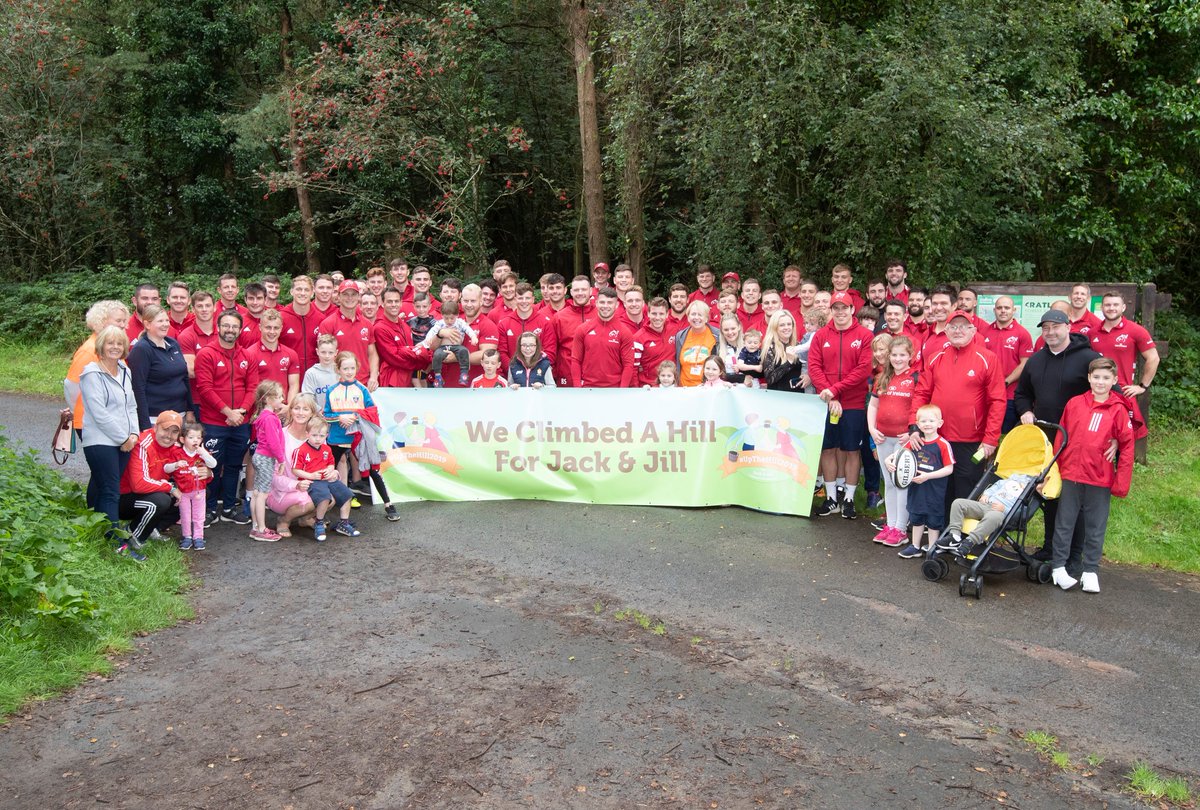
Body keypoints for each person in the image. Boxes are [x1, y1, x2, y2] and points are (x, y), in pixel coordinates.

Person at [1014, 308, 1102, 567]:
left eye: (1055, 326)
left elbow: (1108, 392)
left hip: (1077, 440)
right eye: (1046, 328)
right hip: (1046, 439)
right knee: (1050, 493)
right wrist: (1026, 411)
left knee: (1076, 499)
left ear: (1068, 327)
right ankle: (1051, 548)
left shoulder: (1088, 358)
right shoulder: (1036, 360)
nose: (1050, 332)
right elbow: (1021, 394)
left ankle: (1075, 556)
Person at [1049, 357, 1134, 594]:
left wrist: (1121, 482)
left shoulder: (1118, 409)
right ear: (1089, 378)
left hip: (1099, 478)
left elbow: (1127, 447)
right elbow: (1061, 438)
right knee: (1064, 523)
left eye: (1106, 378)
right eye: (1096, 377)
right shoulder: (1074, 403)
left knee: (1095, 526)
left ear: (1114, 380)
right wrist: (1055, 469)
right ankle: (1058, 567)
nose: (1100, 382)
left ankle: (1090, 571)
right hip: (1070, 475)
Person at [908, 310, 1005, 513]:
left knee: (966, 488)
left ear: (973, 330)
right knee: (939, 487)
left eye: (963, 326)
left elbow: (997, 401)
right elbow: (921, 393)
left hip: (971, 439)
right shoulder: (936, 358)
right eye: (953, 326)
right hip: (937, 438)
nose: (957, 330)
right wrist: (914, 426)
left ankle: (962, 535)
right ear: (947, 330)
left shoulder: (987, 358)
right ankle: (939, 532)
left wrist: (990, 439)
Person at [809, 291, 874, 519]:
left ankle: (848, 499)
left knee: (851, 450)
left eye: (844, 307)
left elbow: (863, 370)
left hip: (853, 403)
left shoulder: (865, 335)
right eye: (835, 308)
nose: (840, 312)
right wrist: (829, 395)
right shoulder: (820, 336)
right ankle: (831, 498)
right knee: (827, 449)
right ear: (831, 310)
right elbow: (814, 367)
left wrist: (835, 390)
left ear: (852, 309)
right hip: (826, 402)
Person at [80, 325, 141, 560]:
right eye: (110, 343)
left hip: (125, 440)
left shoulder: (125, 370)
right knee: (110, 491)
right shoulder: (91, 374)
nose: (115, 347)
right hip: (100, 441)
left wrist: (133, 434)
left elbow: (131, 406)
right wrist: (123, 437)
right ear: (101, 346)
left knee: (102, 486)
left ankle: (96, 532)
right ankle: (116, 544)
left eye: (119, 343)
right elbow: (98, 412)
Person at [194, 310, 259, 524]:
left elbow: (253, 387)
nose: (230, 330)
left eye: (234, 326)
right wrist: (227, 411)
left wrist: (241, 411)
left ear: (240, 329)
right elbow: (204, 388)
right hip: (214, 422)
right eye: (226, 326)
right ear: (218, 327)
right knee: (212, 465)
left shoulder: (247, 355)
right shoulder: (206, 353)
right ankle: (210, 509)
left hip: (240, 422)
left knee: (233, 466)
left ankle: (229, 508)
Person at [323, 352, 400, 521]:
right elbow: (325, 415)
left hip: (359, 438)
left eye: (352, 368)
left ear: (357, 368)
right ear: (338, 369)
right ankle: (319, 512)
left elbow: (373, 412)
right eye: (345, 368)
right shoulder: (331, 390)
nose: (349, 372)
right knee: (328, 472)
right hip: (337, 438)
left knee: (373, 470)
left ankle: (388, 504)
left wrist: (355, 417)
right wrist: (340, 418)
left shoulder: (362, 389)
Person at [867, 335, 917, 547]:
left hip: (902, 438)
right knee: (888, 482)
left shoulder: (915, 377)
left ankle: (901, 528)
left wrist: (912, 432)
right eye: (894, 355)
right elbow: (873, 406)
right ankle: (891, 523)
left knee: (901, 482)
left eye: (902, 355)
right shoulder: (882, 377)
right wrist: (871, 429)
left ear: (910, 356)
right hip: (882, 436)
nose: (897, 359)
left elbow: (919, 406)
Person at [1089, 290, 1158, 440]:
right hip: (1098, 393)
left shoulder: (1136, 330)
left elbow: (1153, 358)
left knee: (1124, 439)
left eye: (1115, 304)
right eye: (1107, 305)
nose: (1111, 308)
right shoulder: (1092, 333)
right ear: (1102, 307)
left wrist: (1142, 386)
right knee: (1098, 437)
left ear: (1123, 308)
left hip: (1122, 393)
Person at [888, 404, 955, 559]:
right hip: (916, 489)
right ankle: (915, 546)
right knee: (916, 517)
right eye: (923, 421)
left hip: (934, 490)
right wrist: (888, 461)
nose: (927, 424)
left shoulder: (943, 444)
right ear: (918, 425)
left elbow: (949, 469)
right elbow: (897, 455)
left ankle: (932, 548)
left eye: (931, 421)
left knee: (933, 520)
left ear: (940, 423)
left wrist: (927, 476)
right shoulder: (915, 442)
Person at [118, 410, 184, 553]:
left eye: (174, 432)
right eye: (165, 429)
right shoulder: (142, 444)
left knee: (195, 493)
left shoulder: (176, 447)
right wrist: (170, 488)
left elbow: (192, 470)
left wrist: (207, 473)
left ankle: (152, 527)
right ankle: (132, 536)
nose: (169, 436)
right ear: (155, 427)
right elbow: (138, 485)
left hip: (150, 491)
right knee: (161, 501)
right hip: (125, 498)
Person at [66, 300, 131, 438]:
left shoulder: (114, 347)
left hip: (114, 420)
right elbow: (71, 386)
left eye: (124, 320)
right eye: (118, 320)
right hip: (91, 422)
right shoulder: (90, 350)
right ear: (101, 321)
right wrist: (76, 411)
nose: (123, 325)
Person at [291, 419, 357, 542]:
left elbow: (331, 464)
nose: (318, 439)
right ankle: (319, 523)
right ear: (307, 434)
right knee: (325, 497)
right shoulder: (300, 450)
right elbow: (295, 470)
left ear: (326, 436)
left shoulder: (326, 449)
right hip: (312, 481)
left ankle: (344, 523)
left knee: (347, 495)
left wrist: (330, 470)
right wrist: (311, 476)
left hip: (327, 479)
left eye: (321, 436)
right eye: (314, 435)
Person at [128, 304, 192, 430]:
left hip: (179, 414)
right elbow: (138, 388)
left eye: (167, 320)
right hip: (156, 418)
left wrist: (190, 409)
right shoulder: (141, 349)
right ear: (147, 324)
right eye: (160, 321)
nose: (165, 324)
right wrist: (145, 424)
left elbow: (184, 378)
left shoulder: (173, 343)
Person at [941, 473, 1038, 555]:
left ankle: (970, 541)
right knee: (958, 503)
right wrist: (985, 495)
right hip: (985, 505)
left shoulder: (1027, 494)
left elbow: (1021, 512)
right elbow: (992, 488)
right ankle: (954, 536)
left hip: (1000, 512)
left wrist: (1004, 509)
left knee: (994, 517)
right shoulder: (1004, 482)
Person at [271, 394, 322, 538]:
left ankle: (305, 519)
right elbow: (272, 476)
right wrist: (295, 485)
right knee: (311, 500)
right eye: (296, 408)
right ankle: (283, 521)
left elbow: (323, 463)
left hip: (309, 487)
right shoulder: (280, 436)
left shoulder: (317, 437)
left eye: (305, 409)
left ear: (312, 413)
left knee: (332, 497)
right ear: (290, 411)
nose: (300, 413)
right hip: (281, 492)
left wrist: (330, 472)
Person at [981, 295, 1034, 434]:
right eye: (999, 308)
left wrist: (1005, 382)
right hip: (985, 393)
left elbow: (1025, 363)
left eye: (1006, 308)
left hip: (1009, 395)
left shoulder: (1022, 333)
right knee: (985, 433)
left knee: (1004, 434)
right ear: (994, 310)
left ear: (1014, 310)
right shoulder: (984, 332)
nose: (1003, 311)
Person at [166, 417, 216, 550]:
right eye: (191, 437)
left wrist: (205, 454)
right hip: (183, 492)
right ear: (182, 439)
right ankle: (187, 536)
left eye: (198, 438)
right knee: (185, 515)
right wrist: (176, 465)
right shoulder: (177, 453)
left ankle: (198, 537)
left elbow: (213, 464)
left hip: (200, 491)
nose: (195, 440)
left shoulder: (201, 454)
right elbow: (166, 468)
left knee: (199, 515)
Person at [571, 288, 635, 388]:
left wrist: (622, 391)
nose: (605, 306)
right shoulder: (583, 329)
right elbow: (576, 360)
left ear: (616, 305)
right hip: (588, 388)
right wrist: (578, 387)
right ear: (596, 303)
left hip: (614, 389)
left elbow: (628, 365)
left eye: (610, 303)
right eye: (602, 302)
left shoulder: (625, 332)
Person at [319, 280, 379, 388]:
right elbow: (324, 357)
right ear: (339, 296)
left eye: (353, 294)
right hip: (337, 384)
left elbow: (372, 354)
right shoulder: (328, 324)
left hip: (363, 384)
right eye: (345, 294)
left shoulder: (367, 324)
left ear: (358, 297)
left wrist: (373, 377)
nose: (349, 298)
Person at [249, 381, 286, 542]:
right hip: (266, 458)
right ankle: (261, 529)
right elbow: (273, 442)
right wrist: (281, 458)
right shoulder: (269, 418)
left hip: (260, 456)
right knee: (262, 495)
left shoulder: (264, 416)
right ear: (268, 399)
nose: (282, 399)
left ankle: (256, 526)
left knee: (257, 493)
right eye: (278, 397)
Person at [374, 286, 432, 388]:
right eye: (389, 301)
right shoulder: (379, 328)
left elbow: (412, 351)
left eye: (396, 301)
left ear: (401, 303)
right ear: (382, 304)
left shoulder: (405, 325)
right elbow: (395, 358)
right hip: (392, 383)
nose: (393, 305)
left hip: (409, 382)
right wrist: (422, 359)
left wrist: (406, 351)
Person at [497, 282, 557, 369]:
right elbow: (502, 353)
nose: (524, 301)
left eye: (527, 298)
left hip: (539, 376)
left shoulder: (545, 322)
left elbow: (550, 352)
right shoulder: (504, 324)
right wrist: (515, 370)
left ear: (533, 299)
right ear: (515, 299)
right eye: (520, 298)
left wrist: (535, 371)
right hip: (513, 375)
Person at [550, 275, 596, 386]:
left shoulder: (600, 314)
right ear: (571, 292)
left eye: (584, 289)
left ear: (590, 291)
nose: (580, 293)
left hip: (595, 377)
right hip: (567, 375)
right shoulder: (559, 317)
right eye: (576, 290)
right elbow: (552, 349)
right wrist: (556, 374)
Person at [247, 309, 300, 402]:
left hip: (283, 410)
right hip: (260, 411)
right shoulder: (249, 354)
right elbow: (249, 388)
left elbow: (294, 385)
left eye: (276, 328)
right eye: (268, 327)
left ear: (281, 328)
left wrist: (288, 408)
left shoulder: (291, 354)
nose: (272, 332)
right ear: (260, 327)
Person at [422, 301, 478, 387]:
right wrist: (428, 339)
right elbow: (432, 331)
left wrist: (473, 337)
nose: (449, 321)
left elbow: (468, 329)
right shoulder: (440, 323)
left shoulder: (460, 322)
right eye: (446, 318)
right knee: (437, 355)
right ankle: (438, 375)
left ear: (457, 315)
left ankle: (464, 373)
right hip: (443, 347)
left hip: (457, 346)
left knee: (464, 351)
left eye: (452, 318)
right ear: (442, 316)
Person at [280, 275, 322, 372]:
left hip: (314, 377)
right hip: (288, 374)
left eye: (306, 290)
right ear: (291, 291)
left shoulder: (321, 319)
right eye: (299, 289)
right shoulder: (281, 317)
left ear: (312, 293)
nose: (302, 293)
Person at [674, 301, 720, 387]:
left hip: (707, 387)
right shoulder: (680, 336)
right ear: (688, 317)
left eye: (700, 314)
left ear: (706, 318)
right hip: (684, 388)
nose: (696, 317)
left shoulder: (717, 336)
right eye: (693, 314)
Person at [633, 297, 676, 387]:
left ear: (667, 314)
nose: (657, 317)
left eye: (661, 314)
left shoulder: (674, 330)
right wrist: (636, 389)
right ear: (648, 314)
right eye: (654, 313)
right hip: (649, 387)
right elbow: (634, 367)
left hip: (671, 387)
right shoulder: (639, 338)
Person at [761, 310, 804, 393]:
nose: (786, 327)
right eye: (782, 325)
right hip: (778, 397)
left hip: (798, 396)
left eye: (789, 324)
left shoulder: (798, 345)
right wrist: (789, 362)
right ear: (775, 327)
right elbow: (770, 379)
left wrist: (807, 376)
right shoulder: (770, 348)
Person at [178, 291, 219, 378]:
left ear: (214, 307)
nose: (204, 309)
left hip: (223, 390)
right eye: (200, 306)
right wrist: (222, 368)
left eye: (208, 305)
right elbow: (191, 371)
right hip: (197, 390)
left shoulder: (223, 332)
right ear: (193, 309)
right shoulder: (186, 336)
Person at [715, 315, 743, 383]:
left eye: (733, 328)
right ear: (721, 330)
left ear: (739, 327)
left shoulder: (749, 345)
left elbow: (758, 372)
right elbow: (714, 374)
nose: (730, 332)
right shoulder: (716, 348)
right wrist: (742, 378)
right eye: (726, 330)